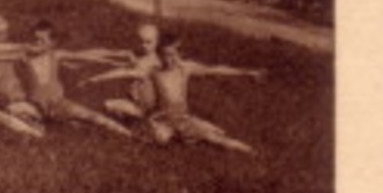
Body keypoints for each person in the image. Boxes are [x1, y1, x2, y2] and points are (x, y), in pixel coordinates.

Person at [84, 33, 262, 153]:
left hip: (182, 118)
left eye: (172, 55)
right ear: (159, 54)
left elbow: (215, 69)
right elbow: (124, 72)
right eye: (164, 55)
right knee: (158, 140)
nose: (168, 59)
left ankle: (251, 152)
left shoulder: (185, 69)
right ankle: (179, 131)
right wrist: (95, 79)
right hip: (161, 119)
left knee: (217, 138)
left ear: (179, 53)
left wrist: (247, 72)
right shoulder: (153, 71)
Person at [18, 21, 132, 138]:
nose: (37, 43)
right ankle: (53, 124)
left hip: (58, 104)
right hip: (35, 107)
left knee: (93, 117)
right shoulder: (25, 57)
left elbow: (85, 54)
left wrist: (118, 54)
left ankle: (129, 134)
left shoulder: (55, 55)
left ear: (52, 43)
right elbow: (2, 50)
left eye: (42, 40)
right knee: (26, 120)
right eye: (35, 39)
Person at [100, 22, 163, 121]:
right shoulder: (134, 55)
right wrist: (75, 55)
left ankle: (134, 125)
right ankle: (130, 122)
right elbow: (109, 52)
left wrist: (95, 79)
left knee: (107, 106)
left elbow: (125, 73)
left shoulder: (156, 63)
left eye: (148, 42)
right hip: (132, 101)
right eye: (140, 41)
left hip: (145, 108)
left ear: (157, 42)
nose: (143, 45)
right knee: (109, 107)